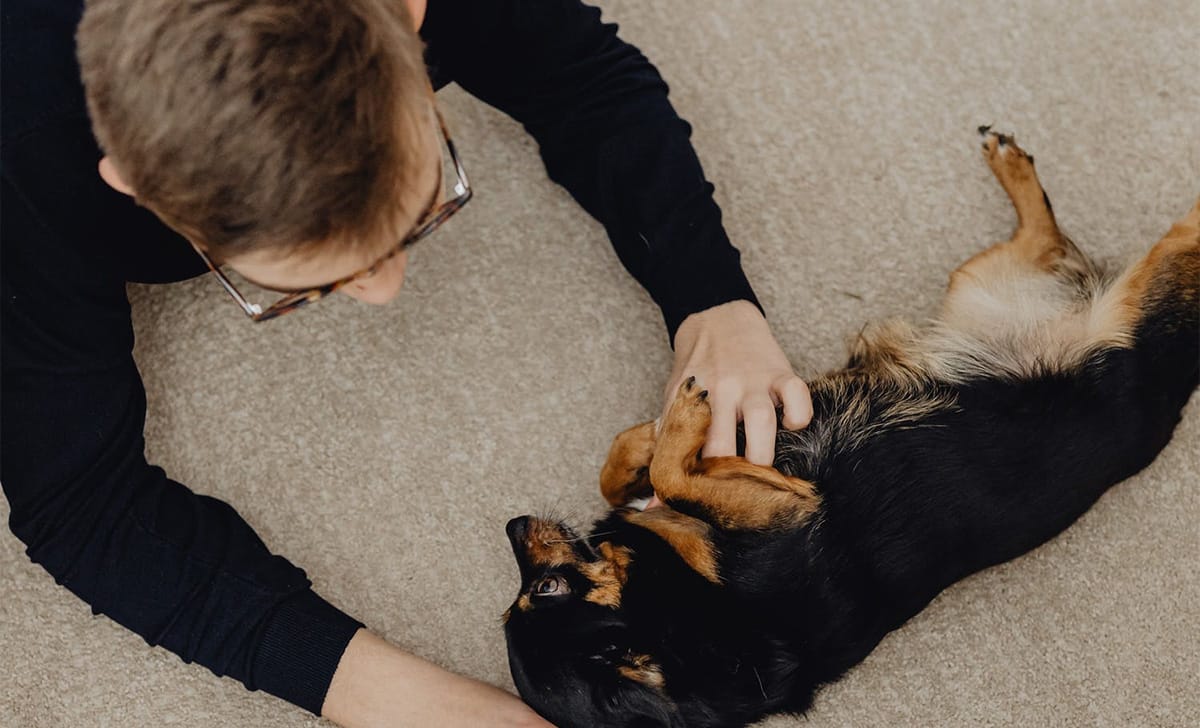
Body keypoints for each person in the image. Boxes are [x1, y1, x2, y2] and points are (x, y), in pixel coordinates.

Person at [0, 0, 813, 725]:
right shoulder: (23, 145)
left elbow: (580, 76)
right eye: (313, 282)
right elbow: (80, 500)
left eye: (423, 208)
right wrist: (387, 696)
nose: (386, 292)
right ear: (132, 181)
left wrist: (711, 299)